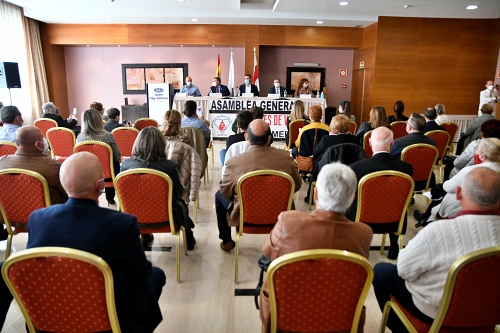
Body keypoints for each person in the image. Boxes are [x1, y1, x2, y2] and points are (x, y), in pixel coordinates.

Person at [26, 152, 166, 333]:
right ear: (100, 186)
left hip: (50, 313)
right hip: (107, 318)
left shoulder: (37, 218)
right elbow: (141, 273)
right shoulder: (122, 224)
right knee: (156, 274)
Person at [373, 167, 500, 333]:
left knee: (382, 271)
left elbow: (403, 270)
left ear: (459, 193)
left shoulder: (439, 230)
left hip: (438, 314)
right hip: (490, 315)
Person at [259, 163, 373, 333]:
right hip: (340, 321)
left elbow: (267, 255)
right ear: (353, 198)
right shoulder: (364, 233)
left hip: (285, 316)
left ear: (315, 193)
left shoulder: (288, 221)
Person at [216, 119, 302, 251]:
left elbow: (225, 192)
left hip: (245, 216)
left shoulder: (234, 163)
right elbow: (296, 186)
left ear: (246, 137)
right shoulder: (286, 158)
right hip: (280, 214)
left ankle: (226, 240)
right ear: (269, 138)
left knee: (218, 195)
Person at [121, 127, 196, 250]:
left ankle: (144, 235)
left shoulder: (125, 165)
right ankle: (187, 233)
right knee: (181, 204)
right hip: (167, 216)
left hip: (134, 216)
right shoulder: (169, 166)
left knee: (140, 199)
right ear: (161, 145)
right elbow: (179, 192)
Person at [346, 127, 413, 260]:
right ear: (392, 144)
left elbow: (351, 196)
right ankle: (394, 245)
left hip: (362, 219)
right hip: (394, 220)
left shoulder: (356, 168)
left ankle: (355, 247)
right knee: (395, 201)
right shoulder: (406, 168)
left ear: (370, 143)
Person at [415, 137, 500, 226]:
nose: (475, 151)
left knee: (439, 192)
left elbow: (448, 187)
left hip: (461, 211)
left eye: (477, 149)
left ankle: (426, 219)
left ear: (482, 156)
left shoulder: (472, 171)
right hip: (493, 213)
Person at [0, 125, 68, 206]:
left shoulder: (2, 161)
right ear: (38, 144)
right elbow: (69, 193)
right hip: (48, 216)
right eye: (42, 138)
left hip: (7, 216)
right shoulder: (53, 167)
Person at [77, 108, 121, 205]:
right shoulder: (108, 136)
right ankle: (110, 197)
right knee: (114, 163)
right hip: (108, 172)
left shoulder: (80, 137)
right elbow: (117, 157)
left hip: (87, 171)